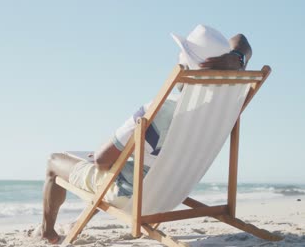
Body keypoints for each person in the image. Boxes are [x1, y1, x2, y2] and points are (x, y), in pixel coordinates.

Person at [40, 25, 253, 244]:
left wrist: (107, 153)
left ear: (187, 64)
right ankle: (78, 222)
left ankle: (47, 232)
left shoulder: (159, 109)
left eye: (182, 53)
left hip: (134, 198)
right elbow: (242, 40)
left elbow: (103, 162)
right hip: (172, 194)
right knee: (126, 164)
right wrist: (236, 58)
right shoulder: (226, 107)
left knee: (55, 161)